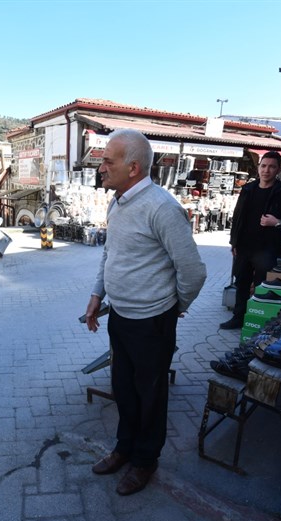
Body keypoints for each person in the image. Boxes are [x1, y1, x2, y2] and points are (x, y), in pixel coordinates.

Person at [84, 129, 206, 496]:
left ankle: (145, 460)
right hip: (120, 316)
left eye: (108, 160)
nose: (101, 166)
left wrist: (174, 307)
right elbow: (110, 254)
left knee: (150, 395)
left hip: (153, 321)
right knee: (124, 388)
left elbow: (194, 271)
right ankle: (124, 448)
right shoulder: (117, 202)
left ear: (133, 167)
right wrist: (96, 294)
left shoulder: (163, 208)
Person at [219, 151, 281, 329]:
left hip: (267, 248)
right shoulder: (248, 189)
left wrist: (278, 222)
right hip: (244, 246)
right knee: (241, 282)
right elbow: (237, 217)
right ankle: (238, 318)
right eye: (263, 166)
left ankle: (256, 320)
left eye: (271, 166)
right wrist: (233, 242)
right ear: (258, 168)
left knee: (261, 286)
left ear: (278, 169)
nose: (266, 170)